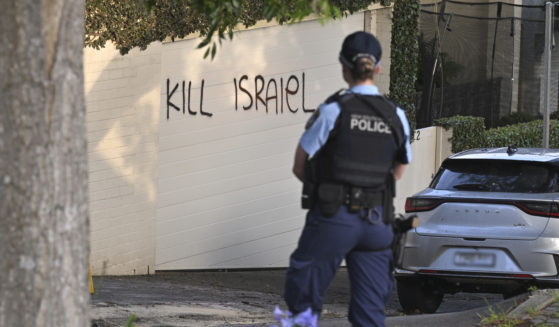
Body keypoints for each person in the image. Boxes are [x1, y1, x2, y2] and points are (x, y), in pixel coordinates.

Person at [281, 31, 412, 327]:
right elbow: (399, 170)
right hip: (378, 221)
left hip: (332, 217)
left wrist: (327, 190)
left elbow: (299, 166)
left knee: (304, 298)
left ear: (343, 68)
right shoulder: (396, 115)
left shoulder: (333, 111)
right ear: (378, 69)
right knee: (370, 313)